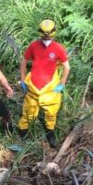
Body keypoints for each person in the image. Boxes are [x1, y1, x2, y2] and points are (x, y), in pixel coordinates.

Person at [18, 19, 70, 148]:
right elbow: (24, 61)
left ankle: (50, 136)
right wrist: (23, 79)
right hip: (33, 86)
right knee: (28, 113)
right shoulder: (34, 46)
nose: (46, 36)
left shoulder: (58, 48)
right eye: (44, 33)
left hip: (50, 88)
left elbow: (67, 67)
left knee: (51, 114)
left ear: (53, 32)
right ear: (40, 32)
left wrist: (62, 84)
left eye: (49, 33)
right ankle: (22, 137)